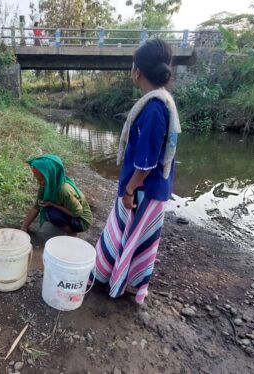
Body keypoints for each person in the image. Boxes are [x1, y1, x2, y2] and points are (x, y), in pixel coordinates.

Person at [91, 39, 181, 304]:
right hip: (149, 188)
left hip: (142, 189)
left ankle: (120, 282)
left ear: (137, 70)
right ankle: (117, 278)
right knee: (130, 236)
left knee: (128, 235)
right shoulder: (161, 102)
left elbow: (146, 162)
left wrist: (130, 190)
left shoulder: (154, 108)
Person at [21, 155, 92, 236]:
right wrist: (24, 227)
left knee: (51, 214)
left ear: (51, 176)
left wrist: (53, 205)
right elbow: (37, 206)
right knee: (46, 209)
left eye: (40, 179)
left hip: (81, 221)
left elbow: (77, 213)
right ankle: (62, 222)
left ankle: (71, 233)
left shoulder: (65, 190)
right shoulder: (46, 185)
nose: (39, 183)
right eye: (37, 179)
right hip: (71, 212)